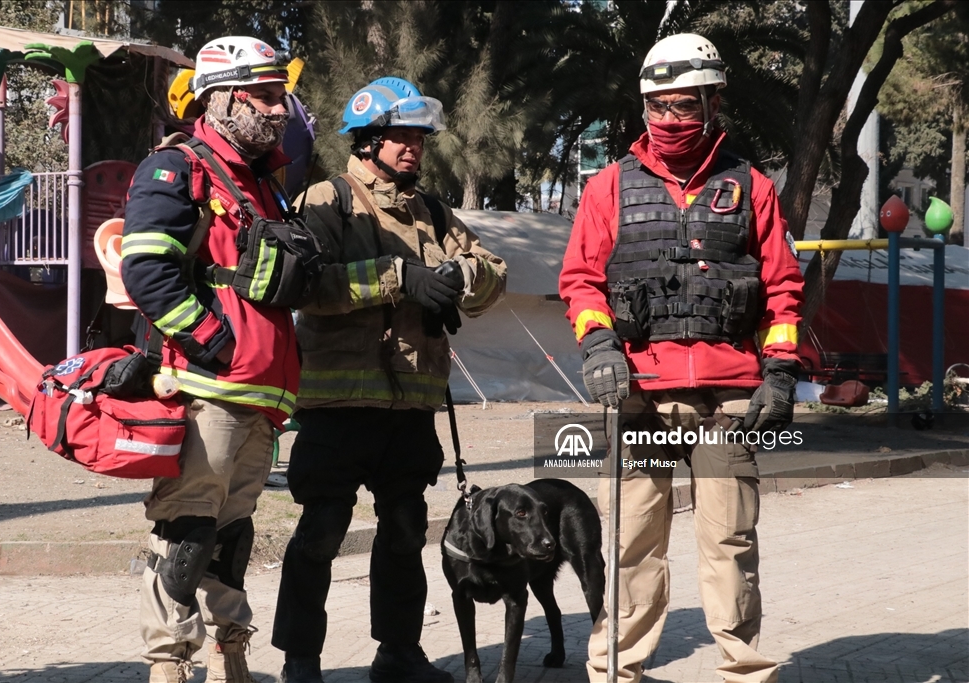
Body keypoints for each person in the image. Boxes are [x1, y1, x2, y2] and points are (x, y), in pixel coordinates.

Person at [559, 33, 804, 683]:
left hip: (729, 400)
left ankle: (744, 671)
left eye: (684, 105)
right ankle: (617, 672)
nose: (669, 118)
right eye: (657, 105)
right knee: (632, 542)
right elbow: (581, 281)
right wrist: (599, 346)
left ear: (714, 103)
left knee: (730, 541)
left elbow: (782, 290)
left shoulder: (751, 188)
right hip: (640, 394)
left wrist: (780, 374)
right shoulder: (609, 187)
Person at [271, 77, 507, 683]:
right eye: (402, 136)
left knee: (404, 532)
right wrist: (398, 277)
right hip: (337, 407)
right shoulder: (328, 199)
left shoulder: (433, 211)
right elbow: (308, 288)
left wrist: (460, 275)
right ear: (368, 139)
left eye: (420, 137)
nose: (414, 147)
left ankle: (398, 654)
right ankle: (301, 660)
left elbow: (493, 272)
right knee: (321, 532)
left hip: (410, 408)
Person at [121, 36, 302, 683]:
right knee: (185, 534)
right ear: (222, 99)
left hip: (262, 397)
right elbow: (146, 270)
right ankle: (168, 665)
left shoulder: (264, 181)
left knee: (231, 536)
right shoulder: (178, 167)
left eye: (282, 96)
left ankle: (233, 655)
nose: (280, 109)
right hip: (208, 390)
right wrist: (215, 345)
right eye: (266, 96)